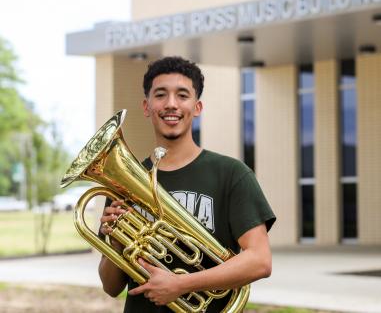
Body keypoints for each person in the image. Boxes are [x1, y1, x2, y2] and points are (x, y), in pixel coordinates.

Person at [98, 56, 276, 312]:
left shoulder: (231, 174)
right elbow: (110, 286)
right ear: (146, 107)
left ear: (197, 107)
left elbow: (260, 261)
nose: (171, 104)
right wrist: (115, 241)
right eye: (160, 95)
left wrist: (182, 284)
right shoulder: (123, 181)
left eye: (182, 95)